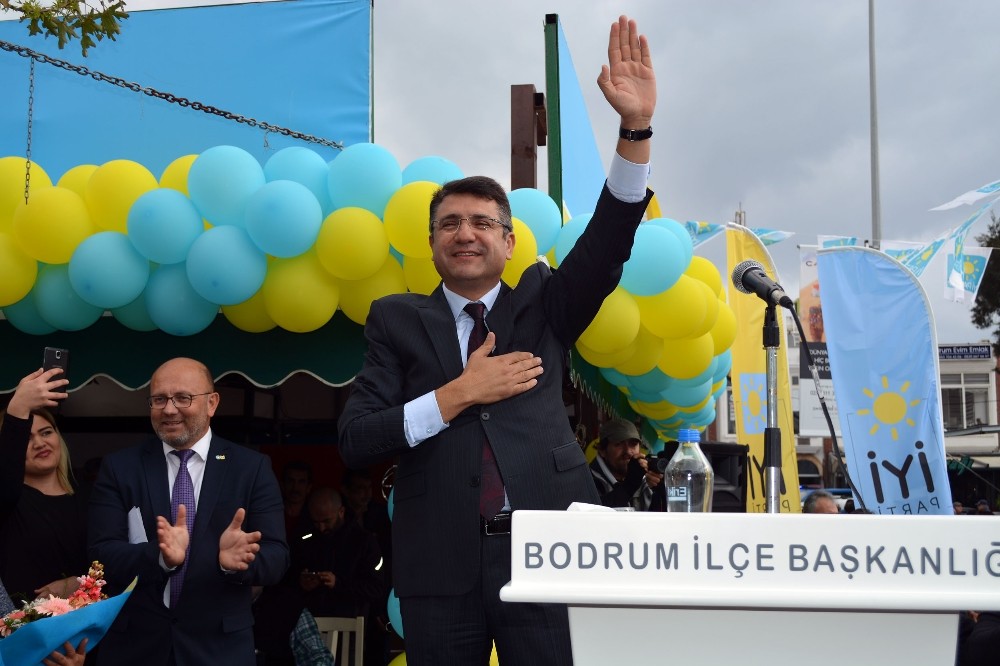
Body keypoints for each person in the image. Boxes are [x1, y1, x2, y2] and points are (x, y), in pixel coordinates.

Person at [337, 15, 656, 665]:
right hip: (437, 568)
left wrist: (634, 132)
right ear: (431, 244)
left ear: (508, 244)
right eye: (449, 223)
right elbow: (356, 437)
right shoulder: (396, 320)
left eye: (483, 222)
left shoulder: (544, 302)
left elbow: (608, 244)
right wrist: (455, 395)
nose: (465, 233)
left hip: (547, 552)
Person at [88, 357, 289, 666]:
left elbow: (277, 557)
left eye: (183, 398)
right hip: (135, 649)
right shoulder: (120, 468)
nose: (169, 409)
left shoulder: (251, 468)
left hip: (219, 650)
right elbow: (101, 555)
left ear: (212, 403)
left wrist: (236, 564)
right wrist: (159, 557)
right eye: (159, 399)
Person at [0, 369, 89, 603]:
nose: (39, 443)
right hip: (24, 630)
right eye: (27, 439)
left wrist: (77, 583)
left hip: (91, 628)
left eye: (46, 432)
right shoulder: (9, 501)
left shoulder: (90, 495)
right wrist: (18, 408)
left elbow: (112, 559)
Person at [292, 487, 383, 620]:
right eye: (316, 522)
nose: (322, 528)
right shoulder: (306, 539)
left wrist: (338, 584)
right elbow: (288, 580)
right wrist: (301, 582)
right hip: (310, 626)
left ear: (341, 512)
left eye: (326, 521)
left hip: (351, 626)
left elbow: (375, 588)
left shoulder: (364, 541)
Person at [590, 418, 662, 510]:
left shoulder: (645, 477)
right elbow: (592, 513)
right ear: (602, 450)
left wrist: (660, 491)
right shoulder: (587, 480)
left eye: (633, 444)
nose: (628, 451)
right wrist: (629, 485)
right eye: (618, 444)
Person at [281, 460, 315, 544]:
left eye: (301, 482)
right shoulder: (271, 513)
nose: (295, 487)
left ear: (309, 487)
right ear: (283, 485)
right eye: (291, 481)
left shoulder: (315, 519)